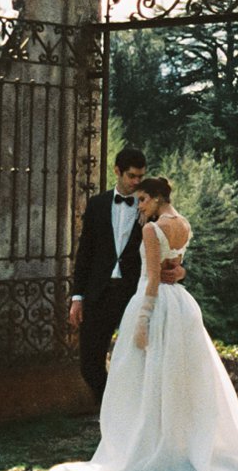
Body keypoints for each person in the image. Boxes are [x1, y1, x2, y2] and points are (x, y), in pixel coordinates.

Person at [49, 175, 238, 471]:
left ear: (157, 198)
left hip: (153, 304)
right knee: (176, 375)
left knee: (141, 375)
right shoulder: (184, 225)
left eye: (144, 200)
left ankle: (148, 445)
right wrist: (179, 273)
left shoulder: (151, 228)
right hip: (181, 306)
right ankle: (178, 442)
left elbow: (155, 279)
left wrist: (143, 319)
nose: (140, 206)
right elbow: (177, 267)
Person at [69, 147, 180, 404]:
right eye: (131, 176)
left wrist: (181, 270)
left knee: (140, 361)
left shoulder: (152, 207)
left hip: (136, 293)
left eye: (141, 176)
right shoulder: (97, 205)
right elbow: (85, 253)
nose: (137, 182)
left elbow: (173, 243)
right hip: (99, 293)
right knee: (90, 363)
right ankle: (111, 409)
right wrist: (77, 296)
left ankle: (131, 418)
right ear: (117, 171)